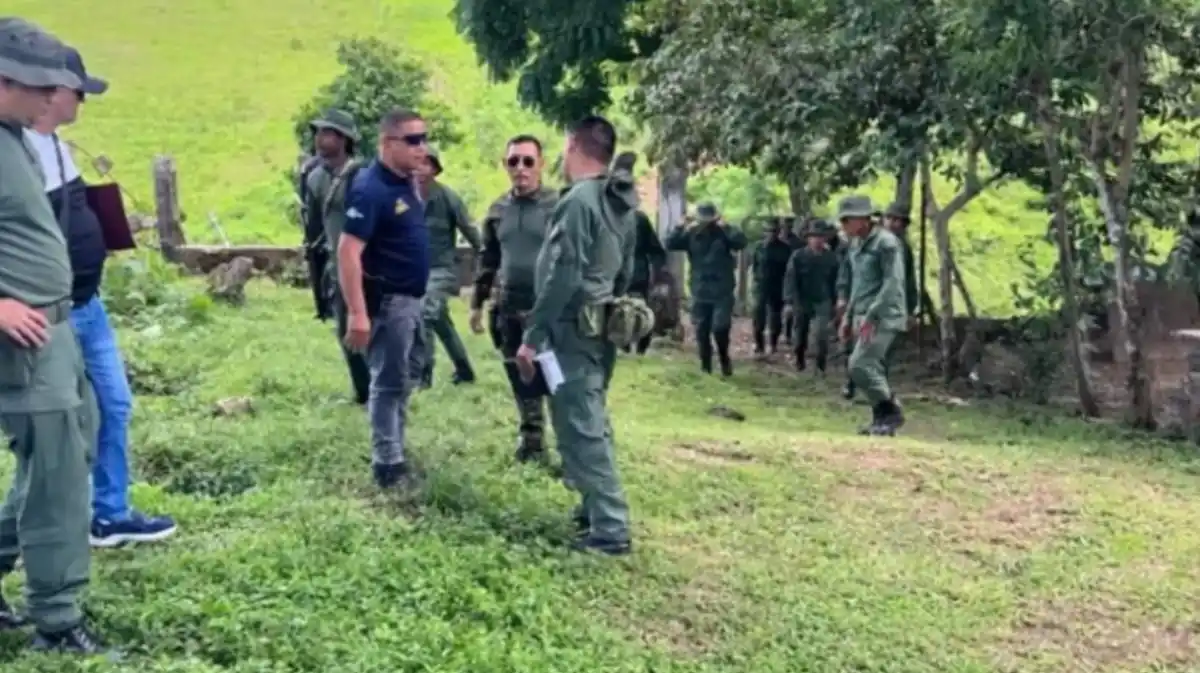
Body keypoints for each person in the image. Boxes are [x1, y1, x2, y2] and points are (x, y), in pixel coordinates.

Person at [26, 45, 176, 548]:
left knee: (114, 403)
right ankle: (37, 534)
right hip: (48, 316)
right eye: (78, 93)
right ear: (49, 91)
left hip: (89, 304)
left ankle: (109, 513)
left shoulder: (57, 147)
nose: (82, 105)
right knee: (53, 436)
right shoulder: (14, 156)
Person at [0, 17, 111, 654]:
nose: (54, 97)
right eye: (41, 86)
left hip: (58, 326)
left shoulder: (14, 137)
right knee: (57, 479)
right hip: (24, 342)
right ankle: (58, 621)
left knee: (72, 449)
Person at [514, 115, 637, 556]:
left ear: (573, 148)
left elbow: (563, 274)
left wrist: (533, 333)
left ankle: (610, 529)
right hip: (601, 324)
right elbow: (627, 268)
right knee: (592, 419)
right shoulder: (619, 200)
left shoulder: (580, 201)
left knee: (580, 425)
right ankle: (591, 510)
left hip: (570, 329)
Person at [338, 108, 430, 489]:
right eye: (413, 140)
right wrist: (358, 313)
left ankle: (397, 449)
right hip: (388, 301)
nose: (422, 148)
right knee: (388, 383)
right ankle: (387, 464)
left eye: (424, 138)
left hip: (409, 300)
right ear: (387, 143)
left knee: (404, 379)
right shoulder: (371, 188)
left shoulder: (404, 180)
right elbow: (347, 251)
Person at [469, 135, 558, 464]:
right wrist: (477, 304)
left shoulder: (558, 206)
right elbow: (488, 258)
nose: (520, 169)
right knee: (520, 376)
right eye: (513, 161)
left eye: (528, 161)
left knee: (555, 380)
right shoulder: (497, 211)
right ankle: (532, 442)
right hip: (508, 308)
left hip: (548, 311)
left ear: (541, 165)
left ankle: (572, 448)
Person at [303, 109, 371, 405]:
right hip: (338, 266)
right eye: (318, 132)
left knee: (379, 329)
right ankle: (364, 392)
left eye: (327, 133)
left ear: (343, 139)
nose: (319, 138)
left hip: (370, 263)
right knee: (346, 330)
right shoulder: (314, 177)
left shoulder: (362, 175)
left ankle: (386, 390)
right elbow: (314, 225)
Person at [837, 195, 908, 435]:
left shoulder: (886, 244)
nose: (844, 225)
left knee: (860, 364)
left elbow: (893, 283)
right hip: (862, 312)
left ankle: (891, 410)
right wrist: (848, 317)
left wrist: (871, 315)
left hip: (884, 315)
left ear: (863, 219)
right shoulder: (856, 245)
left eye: (848, 220)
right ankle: (882, 419)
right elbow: (858, 285)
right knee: (867, 367)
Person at [414, 146, 480, 388]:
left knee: (425, 312)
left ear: (434, 169)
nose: (419, 169)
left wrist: (489, 264)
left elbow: (472, 232)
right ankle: (464, 370)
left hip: (442, 270)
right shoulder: (404, 198)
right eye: (416, 163)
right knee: (440, 321)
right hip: (415, 270)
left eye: (425, 164)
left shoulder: (448, 198)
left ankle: (423, 375)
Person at [665, 202, 747, 376]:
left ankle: (724, 358)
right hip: (700, 289)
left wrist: (726, 226)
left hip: (722, 290)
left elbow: (741, 242)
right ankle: (706, 367)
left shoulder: (724, 233)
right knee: (701, 331)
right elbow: (670, 243)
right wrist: (680, 225)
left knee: (720, 327)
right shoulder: (692, 234)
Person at [783, 219, 839, 373]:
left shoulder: (831, 258)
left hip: (823, 300)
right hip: (802, 300)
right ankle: (799, 360)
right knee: (800, 333)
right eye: (814, 236)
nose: (817, 239)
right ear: (808, 238)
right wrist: (789, 302)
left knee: (822, 334)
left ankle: (821, 366)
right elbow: (790, 279)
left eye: (821, 236)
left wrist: (837, 302)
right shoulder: (798, 256)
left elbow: (836, 281)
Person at [880, 201, 919, 375]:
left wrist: (911, 308)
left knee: (888, 345)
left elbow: (909, 279)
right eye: (891, 219)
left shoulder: (904, 249)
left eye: (898, 221)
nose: (894, 224)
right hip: (869, 301)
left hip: (893, 303)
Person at [625, 208, 666, 354]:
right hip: (618, 272)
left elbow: (655, 249)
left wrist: (658, 273)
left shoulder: (639, 218)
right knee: (621, 310)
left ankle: (640, 346)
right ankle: (626, 346)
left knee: (639, 310)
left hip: (636, 273)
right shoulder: (604, 216)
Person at [750, 221, 793, 355]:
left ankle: (773, 344)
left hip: (777, 286)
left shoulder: (785, 249)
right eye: (768, 231)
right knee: (758, 315)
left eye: (774, 231)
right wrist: (756, 281)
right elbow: (755, 265)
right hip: (761, 286)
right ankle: (759, 344)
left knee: (775, 317)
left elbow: (788, 270)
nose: (771, 234)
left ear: (778, 232)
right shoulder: (758, 247)